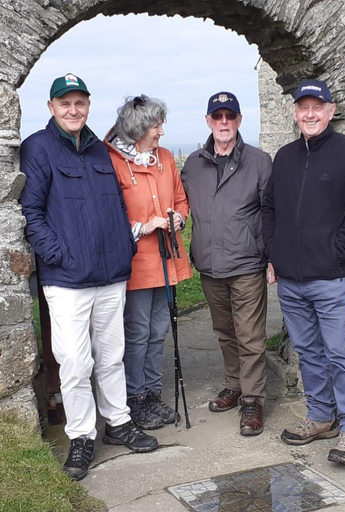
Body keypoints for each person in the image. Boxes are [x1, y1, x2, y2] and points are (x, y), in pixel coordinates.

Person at [19, 74, 158, 481]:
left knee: (111, 356)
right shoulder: (38, 149)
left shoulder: (100, 150)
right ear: (52, 108)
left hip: (111, 272)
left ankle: (118, 422)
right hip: (67, 279)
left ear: (88, 105)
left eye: (80, 102)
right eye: (65, 103)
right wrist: (57, 255)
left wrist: (124, 248)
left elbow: (115, 203)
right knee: (76, 363)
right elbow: (31, 211)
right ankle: (81, 436)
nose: (73, 110)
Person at [262, 79, 345, 467]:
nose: (309, 114)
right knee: (308, 351)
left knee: (339, 353)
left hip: (329, 278)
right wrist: (273, 253)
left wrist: (336, 253)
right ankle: (321, 416)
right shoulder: (285, 157)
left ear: (330, 111)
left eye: (317, 107)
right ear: (295, 113)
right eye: (303, 107)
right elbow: (269, 209)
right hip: (291, 281)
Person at [181, 92, 272, 436]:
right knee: (225, 333)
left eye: (229, 116)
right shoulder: (193, 164)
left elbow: (270, 213)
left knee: (250, 336)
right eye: (217, 116)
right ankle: (234, 385)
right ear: (208, 121)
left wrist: (272, 258)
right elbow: (180, 203)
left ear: (238, 121)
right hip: (210, 265)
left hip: (247, 264)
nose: (223, 122)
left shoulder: (259, 162)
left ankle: (252, 401)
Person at [105, 95, 193, 430]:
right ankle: (134, 397)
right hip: (137, 263)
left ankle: (153, 393)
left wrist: (178, 220)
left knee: (159, 331)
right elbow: (110, 216)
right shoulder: (113, 161)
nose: (161, 132)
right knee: (138, 332)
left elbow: (181, 199)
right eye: (157, 125)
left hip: (166, 260)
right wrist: (144, 226)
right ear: (140, 127)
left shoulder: (165, 158)